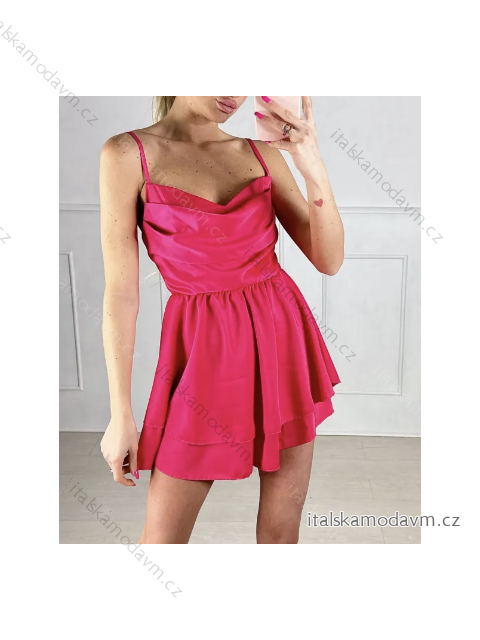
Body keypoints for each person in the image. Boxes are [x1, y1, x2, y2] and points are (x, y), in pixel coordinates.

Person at [99, 96, 344, 543]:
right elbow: (121, 294)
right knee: (162, 542)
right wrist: (121, 415)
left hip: (281, 339)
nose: (232, 93)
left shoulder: (261, 154)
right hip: (202, 354)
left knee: (281, 533)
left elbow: (328, 260)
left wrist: (312, 165)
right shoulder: (127, 153)